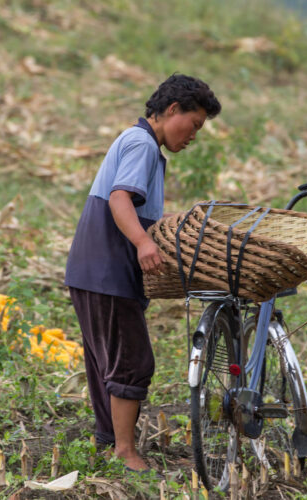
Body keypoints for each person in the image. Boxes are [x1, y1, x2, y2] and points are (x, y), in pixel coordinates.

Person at [64, 74, 222, 472]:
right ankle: (125, 451)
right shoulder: (142, 144)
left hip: (91, 270)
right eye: (195, 124)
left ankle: (107, 444)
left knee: (107, 360)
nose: (194, 136)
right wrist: (144, 243)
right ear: (172, 111)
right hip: (107, 270)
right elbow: (120, 199)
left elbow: (132, 204)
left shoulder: (137, 142)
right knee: (132, 361)